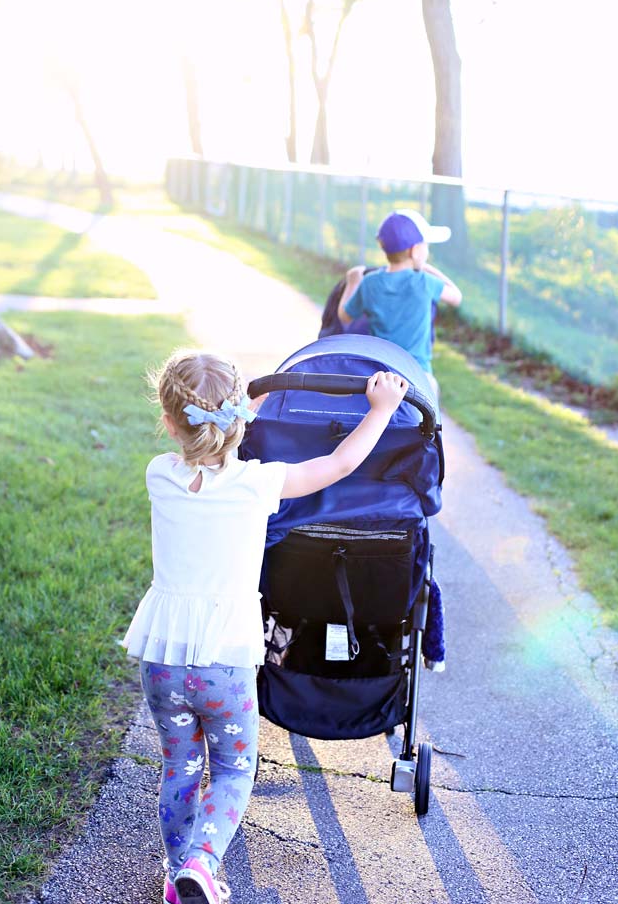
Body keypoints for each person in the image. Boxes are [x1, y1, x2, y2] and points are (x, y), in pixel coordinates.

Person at [122, 348, 408, 904]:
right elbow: (339, 465)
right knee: (233, 768)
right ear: (242, 422)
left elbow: (203, 441)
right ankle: (203, 864)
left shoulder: (159, 475)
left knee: (180, 764)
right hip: (224, 662)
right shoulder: (261, 484)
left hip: (163, 660)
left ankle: (178, 874)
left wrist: (235, 406)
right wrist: (379, 410)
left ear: (167, 420)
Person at [337, 208, 462, 395]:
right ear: (415, 250)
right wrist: (426, 268)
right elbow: (456, 297)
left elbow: (344, 316)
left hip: (380, 377)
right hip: (418, 375)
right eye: (425, 245)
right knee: (430, 413)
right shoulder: (424, 282)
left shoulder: (369, 283)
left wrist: (353, 281)